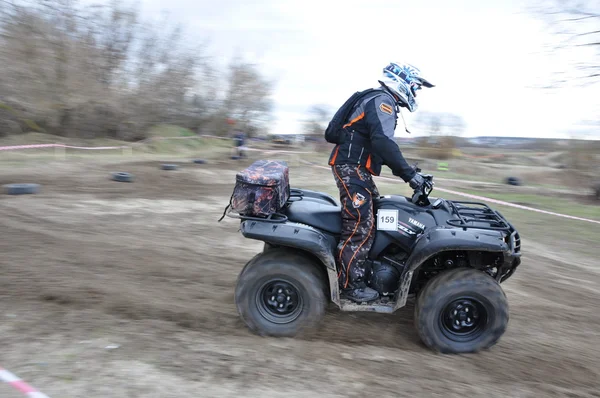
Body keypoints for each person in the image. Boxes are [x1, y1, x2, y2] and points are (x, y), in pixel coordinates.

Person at [327, 61, 435, 303]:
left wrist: (410, 172)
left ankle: (369, 272)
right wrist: (410, 176)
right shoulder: (382, 102)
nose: (415, 93)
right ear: (404, 83)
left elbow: (379, 148)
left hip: (356, 170)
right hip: (351, 169)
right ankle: (350, 286)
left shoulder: (380, 101)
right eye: (415, 88)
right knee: (360, 224)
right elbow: (384, 143)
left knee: (376, 213)